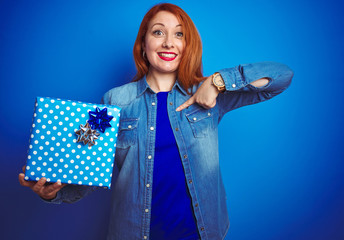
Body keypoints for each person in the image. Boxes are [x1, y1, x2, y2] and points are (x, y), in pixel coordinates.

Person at [19, 3, 293, 240]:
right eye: (158, 32)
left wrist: (217, 81)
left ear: (188, 45)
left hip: (201, 233)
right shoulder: (114, 101)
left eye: (179, 34)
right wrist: (52, 192)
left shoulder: (209, 96)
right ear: (143, 44)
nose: (168, 42)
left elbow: (281, 77)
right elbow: (88, 171)